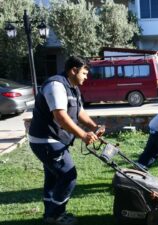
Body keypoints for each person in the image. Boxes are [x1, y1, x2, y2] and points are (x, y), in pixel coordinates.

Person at [28, 56, 105, 225]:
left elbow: (79, 113)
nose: (86, 77)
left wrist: (93, 127)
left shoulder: (73, 87)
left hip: (53, 139)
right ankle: (56, 215)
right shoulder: (56, 86)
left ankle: (50, 215)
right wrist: (83, 135)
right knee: (68, 175)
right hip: (45, 139)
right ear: (73, 70)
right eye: (84, 73)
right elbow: (61, 117)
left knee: (54, 177)